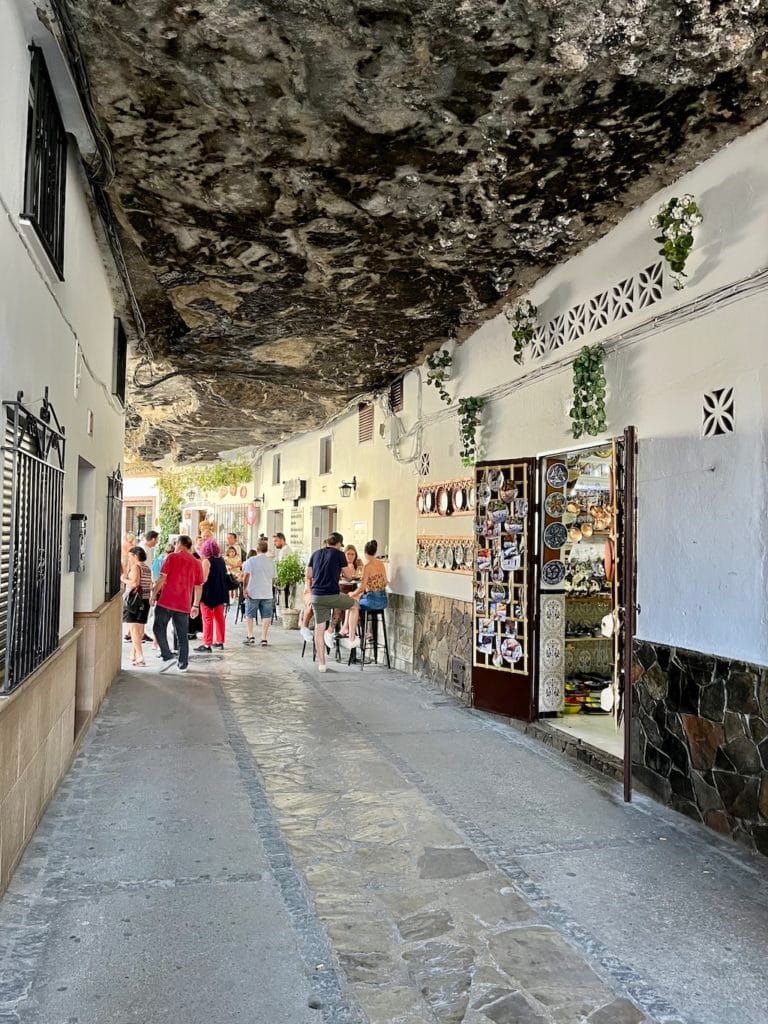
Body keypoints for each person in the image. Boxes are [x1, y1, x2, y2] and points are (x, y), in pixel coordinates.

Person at [302, 533, 359, 672]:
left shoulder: (315, 554)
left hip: (316, 596)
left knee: (318, 630)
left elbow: (308, 574)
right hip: (332, 595)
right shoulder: (339, 554)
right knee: (355, 605)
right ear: (338, 544)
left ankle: (322, 664)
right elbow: (349, 575)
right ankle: (351, 638)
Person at [150, 535, 204, 673]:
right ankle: (183, 663)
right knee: (181, 633)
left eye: (176, 543)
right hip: (184, 603)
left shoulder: (172, 557)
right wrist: (196, 605)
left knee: (158, 628)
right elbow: (198, 586)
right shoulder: (196, 563)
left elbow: (162, 578)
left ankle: (167, 656)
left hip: (167, 600)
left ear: (179, 544)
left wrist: (154, 594)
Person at [121, 546, 153, 666]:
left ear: (135, 556)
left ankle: (140, 657)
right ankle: (133, 654)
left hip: (134, 602)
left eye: (130, 556)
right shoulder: (146, 568)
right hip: (144, 600)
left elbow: (135, 583)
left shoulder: (136, 567)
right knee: (139, 630)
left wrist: (123, 579)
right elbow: (148, 584)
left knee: (133, 629)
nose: (129, 559)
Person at [196, 538, 229, 652]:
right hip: (220, 592)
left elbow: (204, 579)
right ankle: (220, 642)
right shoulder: (221, 560)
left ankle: (207, 644)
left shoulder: (206, 561)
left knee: (207, 618)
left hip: (208, 593)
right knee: (219, 618)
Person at [241, 540, 275, 646]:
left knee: (249, 614)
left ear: (257, 549)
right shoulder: (271, 562)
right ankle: (264, 638)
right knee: (266, 616)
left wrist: (244, 588)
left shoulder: (251, 560)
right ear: (266, 549)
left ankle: (250, 636)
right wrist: (268, 585)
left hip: (253, 592)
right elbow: (274, 578)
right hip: (267, 593)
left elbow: (246, 576)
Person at [350, 539, 389, 613]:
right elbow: (386, 582)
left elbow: (362, 588)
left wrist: (352, 594)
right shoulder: (381, 564)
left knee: (351, 602)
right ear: (375, 552)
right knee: (357, 598)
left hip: (372, 602)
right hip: (384, 601)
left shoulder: (367, 567)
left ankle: (354, 624)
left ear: (365, 552)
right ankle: (357, 624)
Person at [339, 545, 363, 636]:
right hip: (343, 589)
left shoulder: (358, 563)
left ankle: (349, 628)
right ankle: (351, 628)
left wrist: (354, 567)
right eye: (348, 554)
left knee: (357, 602)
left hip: (355, 589)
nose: (350, 556)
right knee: (351, 600)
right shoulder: (342, 563)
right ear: (344, 554)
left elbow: (361, 575)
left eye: (352, 554)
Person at [272, 532, 293, 609]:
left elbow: (281, 567)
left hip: (285, 580)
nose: (274, 543)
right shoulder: (284, 550)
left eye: (275, 541)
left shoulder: (285, 550)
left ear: (281, 540)